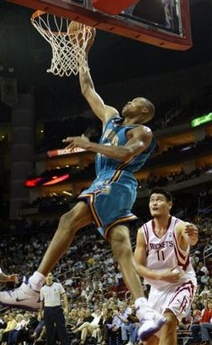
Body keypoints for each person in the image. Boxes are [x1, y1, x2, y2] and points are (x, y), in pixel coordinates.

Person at [0, 24, 166, 342]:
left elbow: (125, 153)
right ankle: (145, 309)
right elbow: (88, 89)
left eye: (135, 101)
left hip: (116, 180)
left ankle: (32, 287)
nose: (129, 101)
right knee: (120, 246)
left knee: (69, 219)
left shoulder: (143, 132)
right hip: (111, 184)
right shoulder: (111, 117)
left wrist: (90, 146)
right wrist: (82, 54)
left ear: (143, 111)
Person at [134, 187, 199, 345]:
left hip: (181, 283)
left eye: (159, 199)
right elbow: (138, 267)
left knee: (169, 320)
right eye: (152, 200)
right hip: (157, 289)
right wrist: (161, 276)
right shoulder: (143, 232)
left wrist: (192, 236)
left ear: (169, 205)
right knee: (150, 339)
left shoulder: (179, 226)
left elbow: (190, 239)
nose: (154, 203)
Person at [39, 272, 70, 345]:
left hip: (57, 309)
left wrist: (66, 308)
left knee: (61, 329)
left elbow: (64, 296)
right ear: (45, 278)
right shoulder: (42, 289)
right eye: (47, 276)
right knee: (49, 330)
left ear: (52, 277)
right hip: (47, 310)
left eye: (50, 275)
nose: (48, 277)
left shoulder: (58, 285)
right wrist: (40, 313)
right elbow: (41, 302)